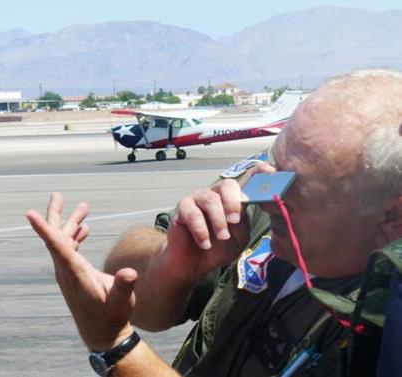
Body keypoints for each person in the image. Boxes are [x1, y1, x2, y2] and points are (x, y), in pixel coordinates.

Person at [26, 69, 402, 377]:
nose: (261, 191)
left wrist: (115, 347)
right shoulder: (259, 209)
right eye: (273, 160)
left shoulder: (385, 318)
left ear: (391, 217)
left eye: (294, 185)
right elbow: (144, 308)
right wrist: (168, 264)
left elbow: (122, 329)